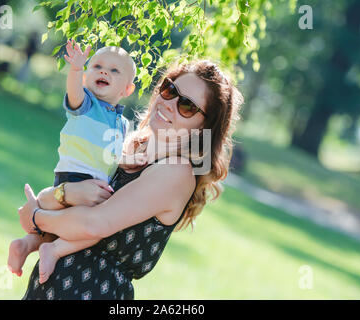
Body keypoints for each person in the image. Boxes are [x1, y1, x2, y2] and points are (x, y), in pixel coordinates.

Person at [17, 59, 244, 300]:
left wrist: (36, 216)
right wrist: (62, 195)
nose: (169, 104)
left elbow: (95, 224)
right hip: (49, 287)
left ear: (203, 126)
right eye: (170, 90)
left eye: (186, 105)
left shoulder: (177, 171)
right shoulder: (131, 144)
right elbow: (70, 192)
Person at [8, 40, 138, 284]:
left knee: (57, 228)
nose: (103, 72)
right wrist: (76, 69)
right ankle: (54, 251)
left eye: (114, 70)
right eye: (97, 66)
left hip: (86, 182)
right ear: (88, 76)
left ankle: (25, 245)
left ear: (127, 90)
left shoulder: (122, 123)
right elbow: (74, 92)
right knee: (96, 229)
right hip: (77, 178)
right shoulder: (86, 105)